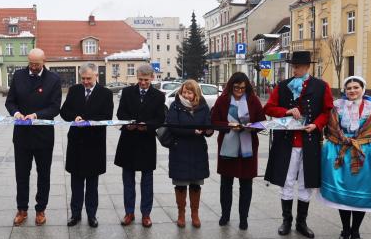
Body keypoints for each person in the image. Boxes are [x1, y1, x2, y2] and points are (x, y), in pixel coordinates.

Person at [264, 51, 333, 238]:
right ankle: (286, 221)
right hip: (287, 142)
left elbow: (327, 111)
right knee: (286, 180)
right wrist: (286, 110)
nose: (295, 69)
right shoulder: (282, 86)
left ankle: (301, 222)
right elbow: (268, 108)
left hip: (309, 142)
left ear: (307, 67)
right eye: (293, 66)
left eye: (299, 66)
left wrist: (316, 124)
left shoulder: (321, 86)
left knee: (306, 182)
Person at [319, 76, 371, 239]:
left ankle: (355, 230)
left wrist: (360, 142)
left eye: (355, 87)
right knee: (343, 195)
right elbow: (331, 129)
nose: (352, 90)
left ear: (362, 89)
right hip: (340, 151)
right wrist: (343, 139)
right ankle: (345, 229)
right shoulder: (337, 108)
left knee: (361, 193)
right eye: (349, 88)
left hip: (364, 153)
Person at [5, 48, 61, 226]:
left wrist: (36, 115)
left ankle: (41, 210)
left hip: (43, 136)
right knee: (21, 174)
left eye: (37, 64)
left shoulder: (53, 79)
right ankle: (22, 209)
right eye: (31, 63)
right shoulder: (19, 76)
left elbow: (55, 108)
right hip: (21, 135)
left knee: (43, 174)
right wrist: (16, 113)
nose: (34, 67)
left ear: (44, 61)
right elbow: (10, 101)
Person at [61, 62, 113, 228]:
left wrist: (90, 121)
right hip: (76, 143)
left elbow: (107, 116)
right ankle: (75, 215)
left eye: (88, 78)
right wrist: (74, 117)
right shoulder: (74, 90)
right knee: (76, 182)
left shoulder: (105, 93)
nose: (85, 81)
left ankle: (92, 215)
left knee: (92, 183)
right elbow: (64, 112)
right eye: (83, 78)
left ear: (96, 76)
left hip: (94, 144)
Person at [211, 72, 265, 230]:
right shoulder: (223, 100)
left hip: (247, 149)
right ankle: (225, 215)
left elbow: (262, 122)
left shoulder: (253, 100)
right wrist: (228, 125)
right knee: (226, 184)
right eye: (236, 88)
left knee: (246, 185)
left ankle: (243, 218)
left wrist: (251, 127)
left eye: (242, 88)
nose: (239, 91)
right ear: (230, 86)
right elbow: (214, 121)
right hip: (228, 147)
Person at [114, 64, 165, 228]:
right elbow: (120, 114)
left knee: (147, 181)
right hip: (128, 140)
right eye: (140, 79)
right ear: (137, 78)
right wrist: (127, 124)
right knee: (128, 180)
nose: (143, 83)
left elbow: (160, 119)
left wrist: (148, 126)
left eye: (146, 80)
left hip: (146, 142)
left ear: (152, 78)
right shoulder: (128, 92)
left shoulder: (158, 96)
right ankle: (129, 212)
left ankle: (146, 214)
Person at [166, 80, 214, 228]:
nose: (186, 95)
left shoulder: (203, 107)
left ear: (195, 94)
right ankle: (181, 214)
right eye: (184, 92)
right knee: (180, 185)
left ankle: (195, 214)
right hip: (180, 150)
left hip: (197, 150)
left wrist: (208, 131)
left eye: (189, 92)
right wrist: (192, 131)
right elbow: (173, 127)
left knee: (195, 184)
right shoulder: (175, 106)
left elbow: (208, 125)